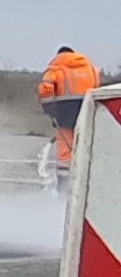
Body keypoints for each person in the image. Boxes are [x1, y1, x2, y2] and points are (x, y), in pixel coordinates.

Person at [36, 44, 99, 184]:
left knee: (66, 149)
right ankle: (85, 181)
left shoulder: (56, 69)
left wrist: (50, 110)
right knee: (85, 143)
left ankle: (64, 185)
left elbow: (45, 90)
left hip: (65, 112)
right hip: (88, 109)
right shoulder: (91, 68)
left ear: (59, 55)